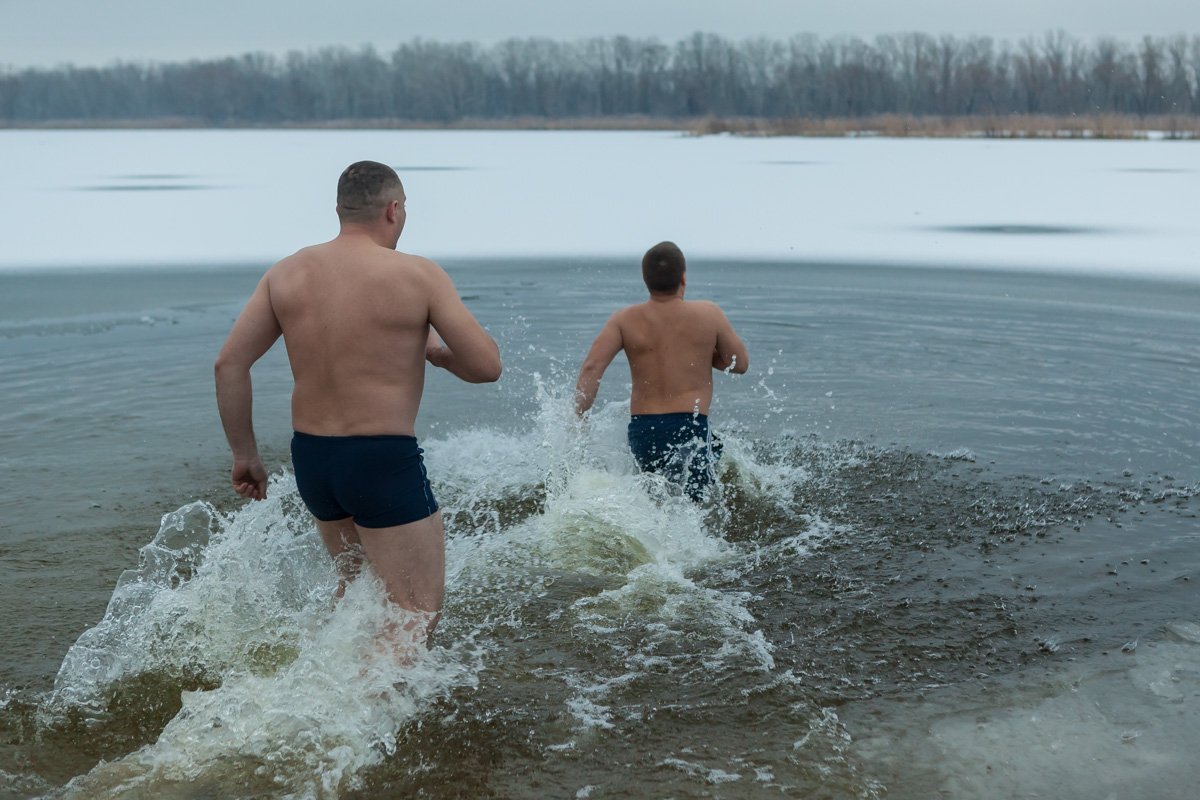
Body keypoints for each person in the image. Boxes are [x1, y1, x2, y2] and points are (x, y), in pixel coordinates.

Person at [214, 160, 502, 652]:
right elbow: (486, 366)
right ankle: (357, 725)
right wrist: (434, 352)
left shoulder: (286, 273)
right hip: (380, 457)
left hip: (313, 459)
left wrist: (246, 455)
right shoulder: (417, 274)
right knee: (414, 612)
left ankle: (314, 692)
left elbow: (229, 366)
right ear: (393, 210)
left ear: (340, 209)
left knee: (357, 594)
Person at [574, 241, 748, 501]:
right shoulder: (709, 314)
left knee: (654, 502)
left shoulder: (623, 319)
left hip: (644, 430)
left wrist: (578, 418)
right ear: (684, 278)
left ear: (646, 280)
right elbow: (739, 363)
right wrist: (702, 354)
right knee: (695, 508)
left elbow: (592, 367)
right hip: (690, 426)